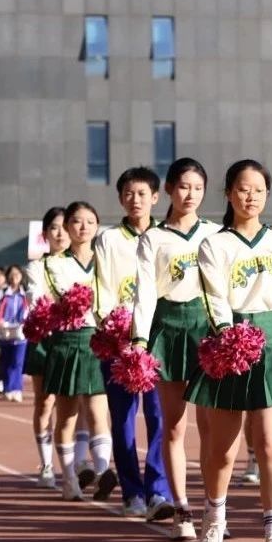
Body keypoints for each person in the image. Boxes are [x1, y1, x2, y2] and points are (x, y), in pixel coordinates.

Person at [188, 159, 272, 542]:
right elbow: (214, 297)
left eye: (258, 190)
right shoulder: (214, 245)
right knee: (223, 450)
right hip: (231, 341)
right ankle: (215, 517)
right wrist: (227, 334)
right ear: (228, 193)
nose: (250, 197)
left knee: (270, 443)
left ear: (267, 194)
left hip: (271, 343)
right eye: (242, 188)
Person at [131, 158, 220, 541]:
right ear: (168, 189)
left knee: (211, 427)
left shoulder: (215, 234)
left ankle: (213, 510)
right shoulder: (153, 238)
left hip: (207, 330)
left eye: (198, 188)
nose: (190, 194)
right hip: (168, 329)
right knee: (174, 425)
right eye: (184, 186)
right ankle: (181, 508)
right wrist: (139, 339)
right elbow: (145, 293)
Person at [95, 167, 173, 520]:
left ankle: (158, 490)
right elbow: (102, 290)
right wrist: (116, 326)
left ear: (156, 197)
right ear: (120, 198)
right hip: (119, 342)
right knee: (123, 419)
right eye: (128, 193)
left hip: (158, 341)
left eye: (142, 193)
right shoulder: (109, 240)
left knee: (160, 417)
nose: (135, 200)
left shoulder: (165, 237)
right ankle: (131, 492)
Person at [42, 201, 116, 504]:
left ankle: (103, 471)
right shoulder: (53, 264)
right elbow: (51, 301)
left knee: (99, 412)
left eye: (90, 221)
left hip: (98, 340)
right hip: (67, 341)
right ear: (67, 226)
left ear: (97, 225)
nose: (83, 227)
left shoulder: (105, 260)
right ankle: (70, 478)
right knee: (68, 416)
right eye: (76, 221)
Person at [25, 207, 70, 488]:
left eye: (66, 226)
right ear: (45, 234)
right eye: (54, 227)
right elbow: (36, 299)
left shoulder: (84, 264)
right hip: (45, 339)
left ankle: (76, 465)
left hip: (75, 339)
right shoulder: (36, 267)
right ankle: (46, 464)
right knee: (44, 402)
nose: (60, 233)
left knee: (75, 404)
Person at [0, 265, 30, 402]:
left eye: (17, 274)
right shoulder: (3, 293)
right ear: (8, 276)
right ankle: (8, 388)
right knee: (6, 362)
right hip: (5, 331)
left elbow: (29, 309)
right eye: (12, 274)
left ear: (21, 276)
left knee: (18, 362)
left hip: (20, 331)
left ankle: (17, 389)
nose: (15, 276)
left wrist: (25, 322)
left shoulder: (26, 293)